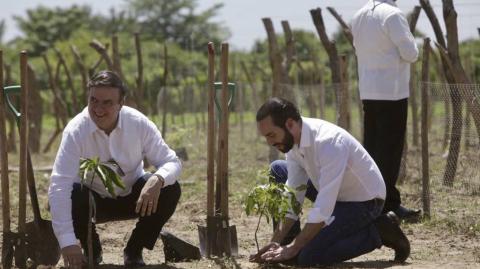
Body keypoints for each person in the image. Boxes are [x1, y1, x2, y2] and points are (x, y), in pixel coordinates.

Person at [251, 97, 410, 267]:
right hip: (334, 193)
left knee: (308, 257)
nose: (269, 142)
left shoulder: (329, 143)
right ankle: (286, 249)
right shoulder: (291, 142)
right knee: (279, 169)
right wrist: (276, 241)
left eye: (271, 135)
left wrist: (296, 247)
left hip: (364, 202)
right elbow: (293, 193)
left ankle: (379, 231)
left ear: (290, 124)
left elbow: (323, 208)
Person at [48, 70, 182, 268]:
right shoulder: (76, 131)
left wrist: (157, 179)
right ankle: (91, 248)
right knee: (74, 193)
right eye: (93, 100)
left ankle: (134, 250)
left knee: (170, 188)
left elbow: (172, 162)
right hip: (92, 203)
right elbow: (60, 184)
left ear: (121, 103)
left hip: (135, 199)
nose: (98, 109)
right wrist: (67, 243)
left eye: (107, 103)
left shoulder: (138, 123)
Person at [351, 0, 421, 220]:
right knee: (390, 152)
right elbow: (411, 54)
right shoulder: (393, 15)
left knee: (372, 149)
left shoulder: (359, 15)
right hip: (392, 92)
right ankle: (389, 205)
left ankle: (372, 200)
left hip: (368, 91)